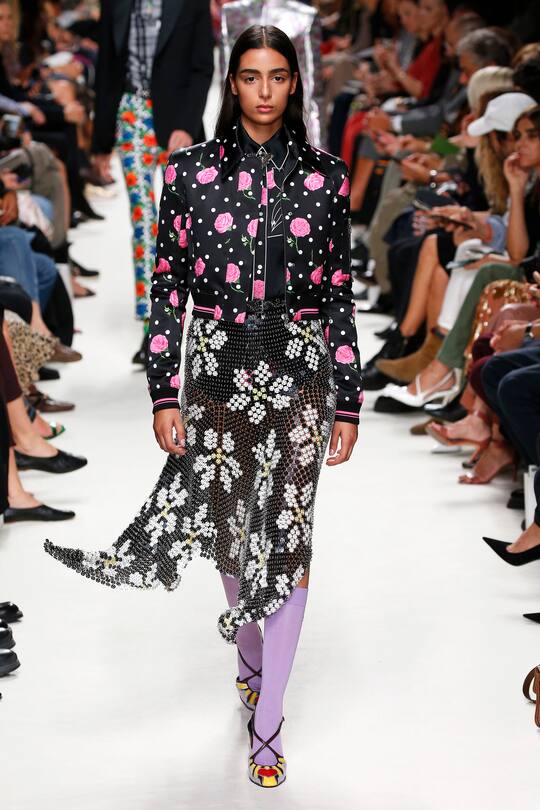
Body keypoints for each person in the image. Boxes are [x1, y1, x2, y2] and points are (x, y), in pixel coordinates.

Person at [44, 24, 364, 789]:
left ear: (295, 85)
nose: (262, 90)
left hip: (298, 366)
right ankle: (250, 654)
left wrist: (347, 403)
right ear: (233, 82)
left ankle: (269, 722)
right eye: (249, 75)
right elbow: (169, 293)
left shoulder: (327, 177)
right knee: (227, 528)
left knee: (287, 537)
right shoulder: (187, 175)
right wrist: (163, 390)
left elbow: (339, 296)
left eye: (276, 76)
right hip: (216, 366)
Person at [91, 0, 215, 364]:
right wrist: (100, 141)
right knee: (144, 223)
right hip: (131, 116)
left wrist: (187, 124)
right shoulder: (116, 4)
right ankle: (154, 331)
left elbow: (201, 66)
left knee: (188, 227)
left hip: (177, 122)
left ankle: (202, 324)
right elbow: (106, 70)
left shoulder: (190, 4)